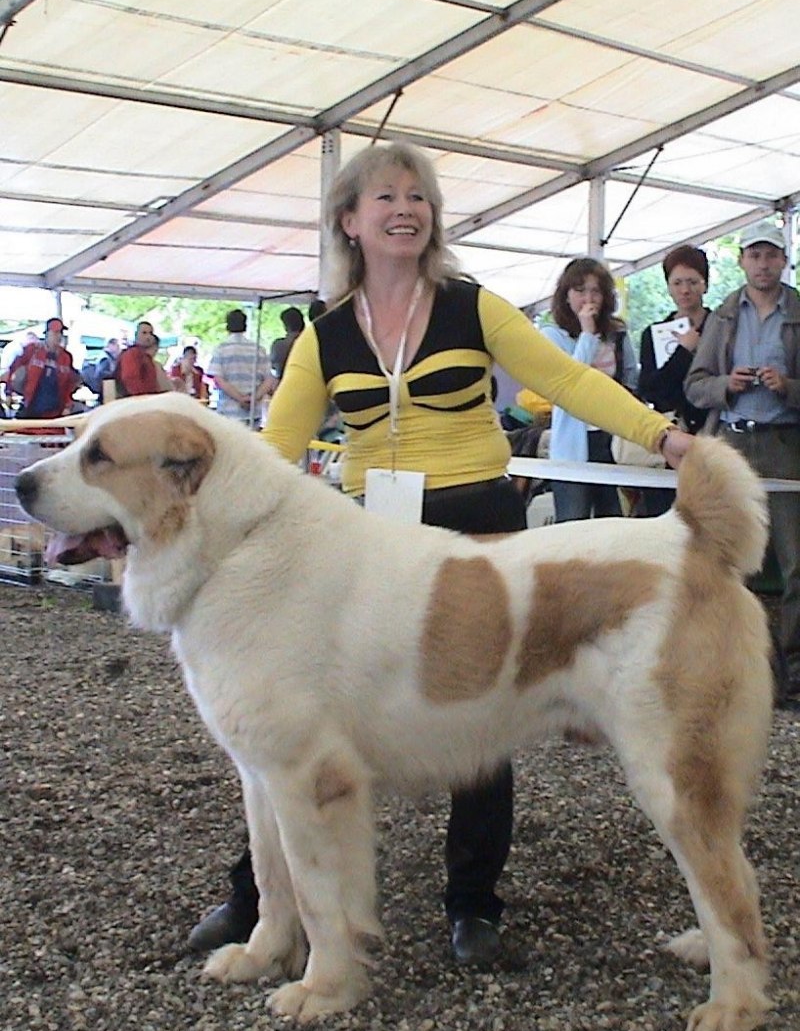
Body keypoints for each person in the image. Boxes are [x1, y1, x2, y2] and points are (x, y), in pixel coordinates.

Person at [188, 141, 691, 965]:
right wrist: (207, 540)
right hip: (362, 549)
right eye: (384, 196)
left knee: (485, 722)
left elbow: (569, 382)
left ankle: (473, 904)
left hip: (478, 528)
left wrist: (662, 436)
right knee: (294, 727)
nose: (404, 208)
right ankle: (256, 897)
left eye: (417, 196)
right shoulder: (320, 337)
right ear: (349, 220)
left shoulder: (474, 306)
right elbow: (271, 455)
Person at [685, 219, 800, 698]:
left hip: (785, 445)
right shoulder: (724, 317)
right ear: (742, 261)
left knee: (794, 563)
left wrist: (788, 388)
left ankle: (793, 669)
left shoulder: (797, 313)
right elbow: (694, 386)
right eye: (755, 255)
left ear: (784, 260)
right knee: (724, 558)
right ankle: (731, 666)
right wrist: (725, 386)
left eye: (771, 255)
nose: (763, 263)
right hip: (732, 442)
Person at [540, 258, 638, 522]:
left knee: (611, 521)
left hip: (610, 436)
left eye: (595, 290)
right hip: (573, 443)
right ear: (566, 295)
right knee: (573, 522)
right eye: (580, 290)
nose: (588, 298)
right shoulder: (553, 335)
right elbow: (572, 381)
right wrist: (587, 333)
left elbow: (630, 377)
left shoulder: (617, 333)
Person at [636, 245, 711, 516]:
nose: (685, 290)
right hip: (671, 437)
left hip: (711, 434)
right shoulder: (653, 334)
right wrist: (683, 352)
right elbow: (651, 388)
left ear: (705, 284)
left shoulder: (722, 327)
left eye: (692, 282)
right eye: (677, 283)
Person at [1, 318, 80, 419]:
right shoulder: (32, 350)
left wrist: (68, 405)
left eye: (60, 333)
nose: (58, 336)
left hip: (55, 410)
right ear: (47, 334)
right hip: (31, 407)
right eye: (55, 333)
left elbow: (69, 383)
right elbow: (13, 369)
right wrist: (8, 392)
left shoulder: (66, 357)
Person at [207, 309, 271, 426]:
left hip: (228, 412)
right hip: (253, 413)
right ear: (245, 326)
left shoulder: (221, 349)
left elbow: (219, 380)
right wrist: (253, 398)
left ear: (227, 326)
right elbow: (268, 380)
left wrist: (240, 398)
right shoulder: (259, 349)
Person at [115, 322, 173, 397]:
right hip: (137, 401)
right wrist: (142, 398)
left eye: (150, 333)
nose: (148, 336)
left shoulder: (146, 357)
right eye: (144, 333)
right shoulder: (132, 354)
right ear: (136, 335)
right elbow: (130, 379)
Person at [269, 308, 305, 379]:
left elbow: (273, 366)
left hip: (283, 383)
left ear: (286, 326)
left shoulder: (278, 345)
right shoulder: (309, 343)